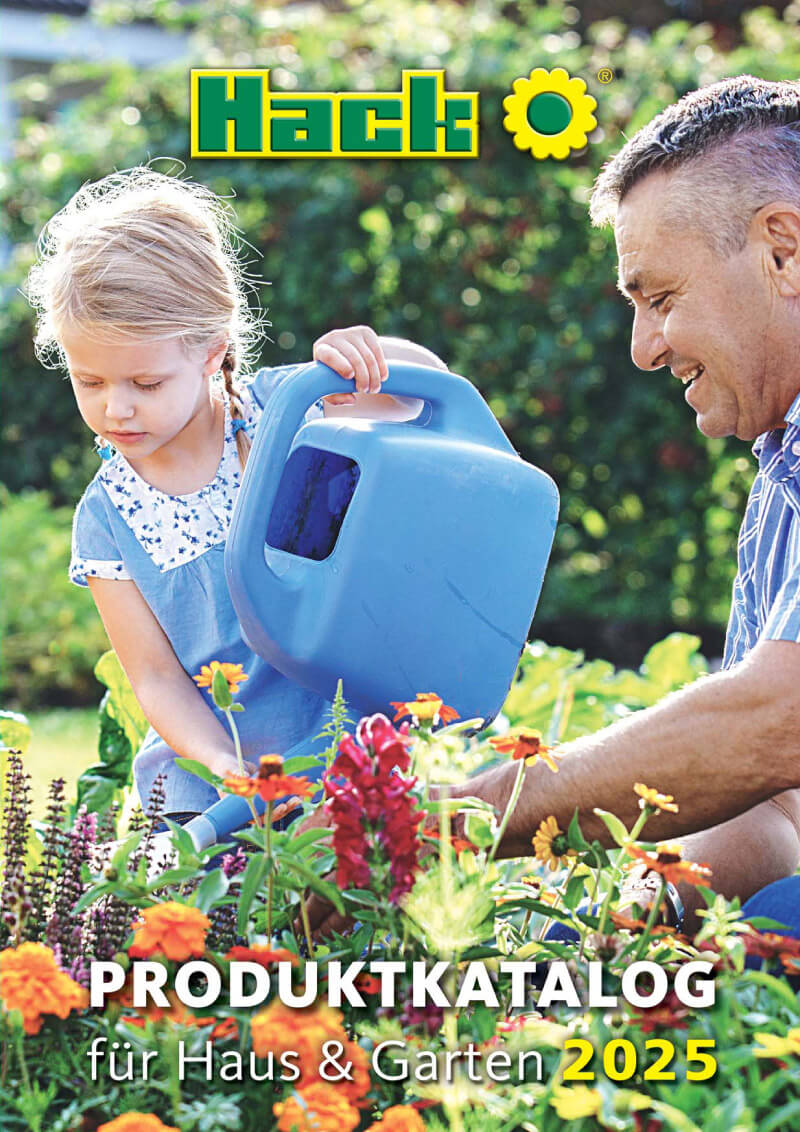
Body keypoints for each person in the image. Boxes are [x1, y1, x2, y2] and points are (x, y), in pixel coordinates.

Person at [304, 75, 800, 939]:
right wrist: (633, 921)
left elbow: (778, 721)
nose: (645, 349)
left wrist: (454, 820)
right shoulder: (782, 475)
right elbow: (781, 807)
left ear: (782, 251)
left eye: (662, 299)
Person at [25, 166, 441, 825]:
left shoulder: (288, 411)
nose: (116, 407)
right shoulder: (106, 522)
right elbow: (157, 679)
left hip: (345, 758)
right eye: (90, 380)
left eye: (146, 382)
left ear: (213, 352)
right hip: (209, 796)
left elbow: (426, 400)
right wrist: (226, 768)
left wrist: (367, 354)